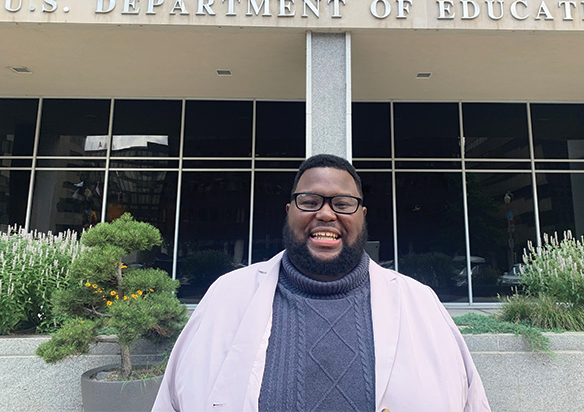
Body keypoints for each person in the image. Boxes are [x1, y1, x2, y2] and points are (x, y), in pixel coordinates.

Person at [153, 154, 491, 412]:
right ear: (289, 212)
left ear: (362, 216)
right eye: (310, 202)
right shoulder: (227, 297)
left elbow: (471, 401)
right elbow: (172, 400)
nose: (326, 214)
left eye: (343, 204)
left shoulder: (420, 302)